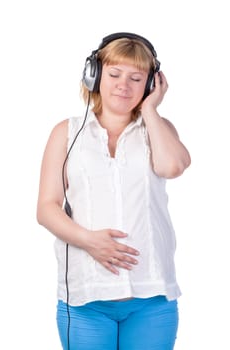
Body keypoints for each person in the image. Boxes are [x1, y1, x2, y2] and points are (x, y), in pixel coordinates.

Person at [37, 32, 191, 350]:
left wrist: (151, 111)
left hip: (152, 298)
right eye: (114, 74)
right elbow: (47, 207)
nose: (124, 85)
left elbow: (172, 167)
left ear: (151, 85)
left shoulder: (159, 130)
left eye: (136, 78)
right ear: (94, 75)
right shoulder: (65, 134)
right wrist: (89, 241)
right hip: (85, 300)